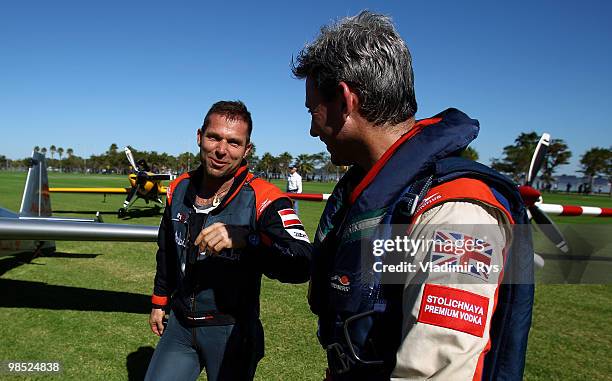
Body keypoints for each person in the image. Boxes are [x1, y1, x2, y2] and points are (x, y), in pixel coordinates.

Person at [292, 11, 534, 380]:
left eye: (314, 110)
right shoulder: (380, 195)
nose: (313, 129)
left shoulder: (455, 211)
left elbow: (436, 371)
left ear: (345, 100)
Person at [144, 101, 312, 381]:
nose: (221, 150)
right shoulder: (178, 189)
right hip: (181, 325)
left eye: (234, 143)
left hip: (232, 330)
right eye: (214, 137)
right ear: (199, 137)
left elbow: (302, 261)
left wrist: (250, 239)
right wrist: (159, 301)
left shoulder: (264, 197)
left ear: (247, 150)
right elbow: (167, 251)